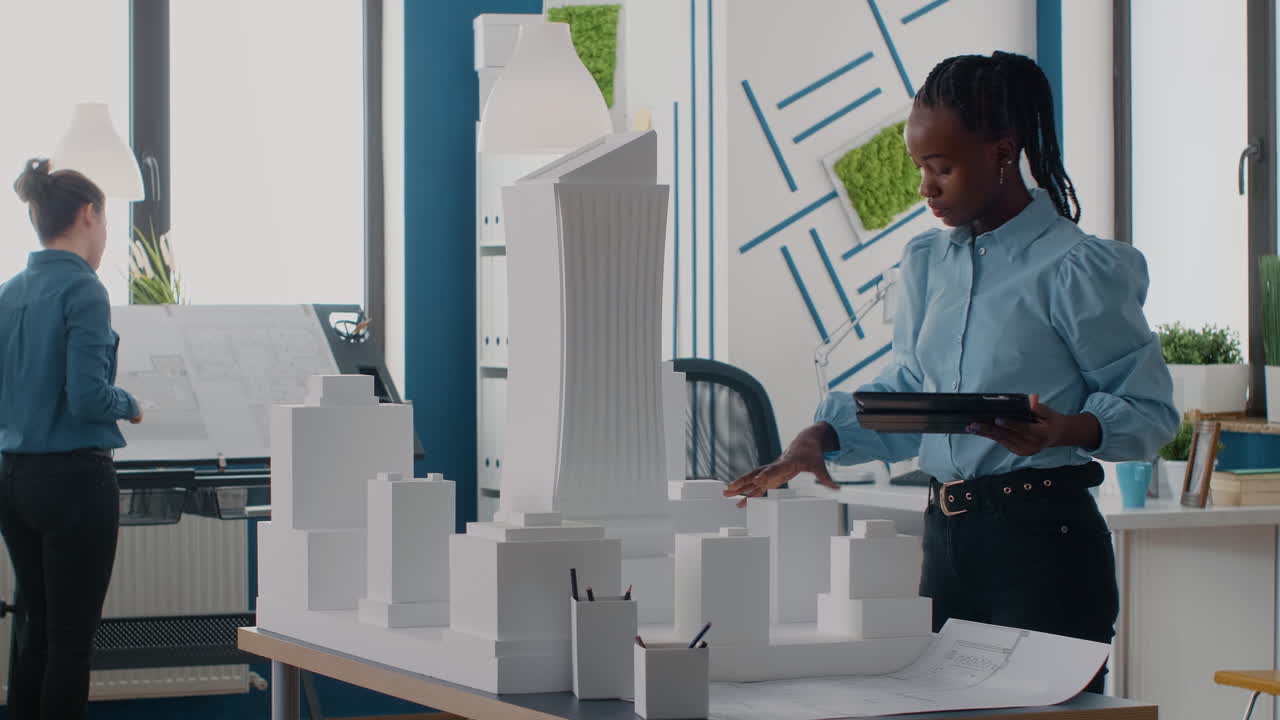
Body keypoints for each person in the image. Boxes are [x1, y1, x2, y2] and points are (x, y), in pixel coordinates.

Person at [726, 52, 1178, 695]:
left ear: (1001, 154)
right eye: (920, 169)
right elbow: (913, 389)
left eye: (942, 167)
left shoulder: (1077, 268)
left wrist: (1063, 429)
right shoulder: (926, 264)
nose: (926, 188)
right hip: (947, 544)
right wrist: (821, 437)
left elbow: (1152, 412)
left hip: (1044, 546)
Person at [0, 158, 142, 719]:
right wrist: (130, 405)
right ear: (89, 214)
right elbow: (87, 398)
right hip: (73, 484)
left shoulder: (9, 292)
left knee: (33, 632)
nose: (105, 236)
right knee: (71, 643)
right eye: (105, 222)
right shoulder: (84, 291)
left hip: (11, 479)